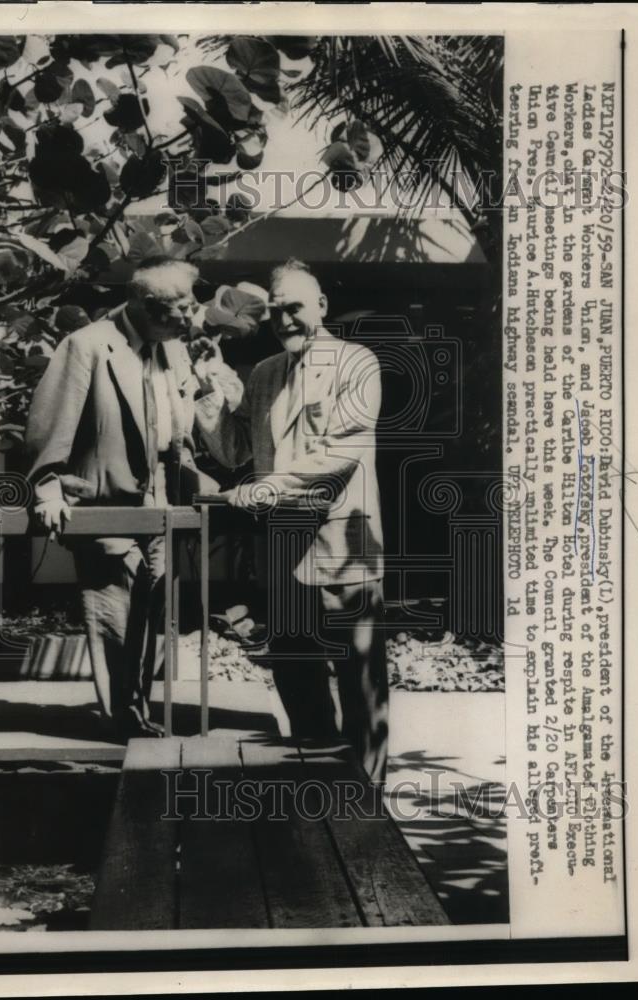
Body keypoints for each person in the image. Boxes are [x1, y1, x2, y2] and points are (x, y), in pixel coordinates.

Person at [24, 257, 243, 739]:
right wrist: (47, 486)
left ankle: (137, 715)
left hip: (162, 504)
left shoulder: (174, 351)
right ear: (148, 306)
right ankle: (123, 723)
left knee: (152, 619)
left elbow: (176, 433)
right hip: (105, 504)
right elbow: (49, 424)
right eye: (182, 307)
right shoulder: (86, 345)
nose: (192, 316)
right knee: (114, 617)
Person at [194, 259, 389, 783]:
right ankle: (316, 785)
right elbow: (234, 449)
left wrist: (263, 489)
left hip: (343, 546)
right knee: (296, 673)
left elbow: (339, 454)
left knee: (358, 678)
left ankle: (366, 795)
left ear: (321, 306)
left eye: (294, 309)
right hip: (281, 550)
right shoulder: (263, 374)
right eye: (275, 312)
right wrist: (209, 383)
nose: (284, 321)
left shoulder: (357, 363)